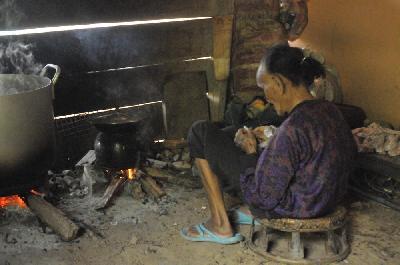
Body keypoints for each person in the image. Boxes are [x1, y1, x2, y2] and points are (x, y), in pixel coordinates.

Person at [180, 44, 357, 244]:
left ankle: (220, 224)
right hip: (326, 200)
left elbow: (263, 196)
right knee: (228, 133)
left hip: (294, 207)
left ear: (278, 83)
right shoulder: (331, 111)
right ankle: (239, 212)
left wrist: (251, 153)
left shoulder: (293, 128)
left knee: (200, 131)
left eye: (264, 86)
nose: (264, 96)